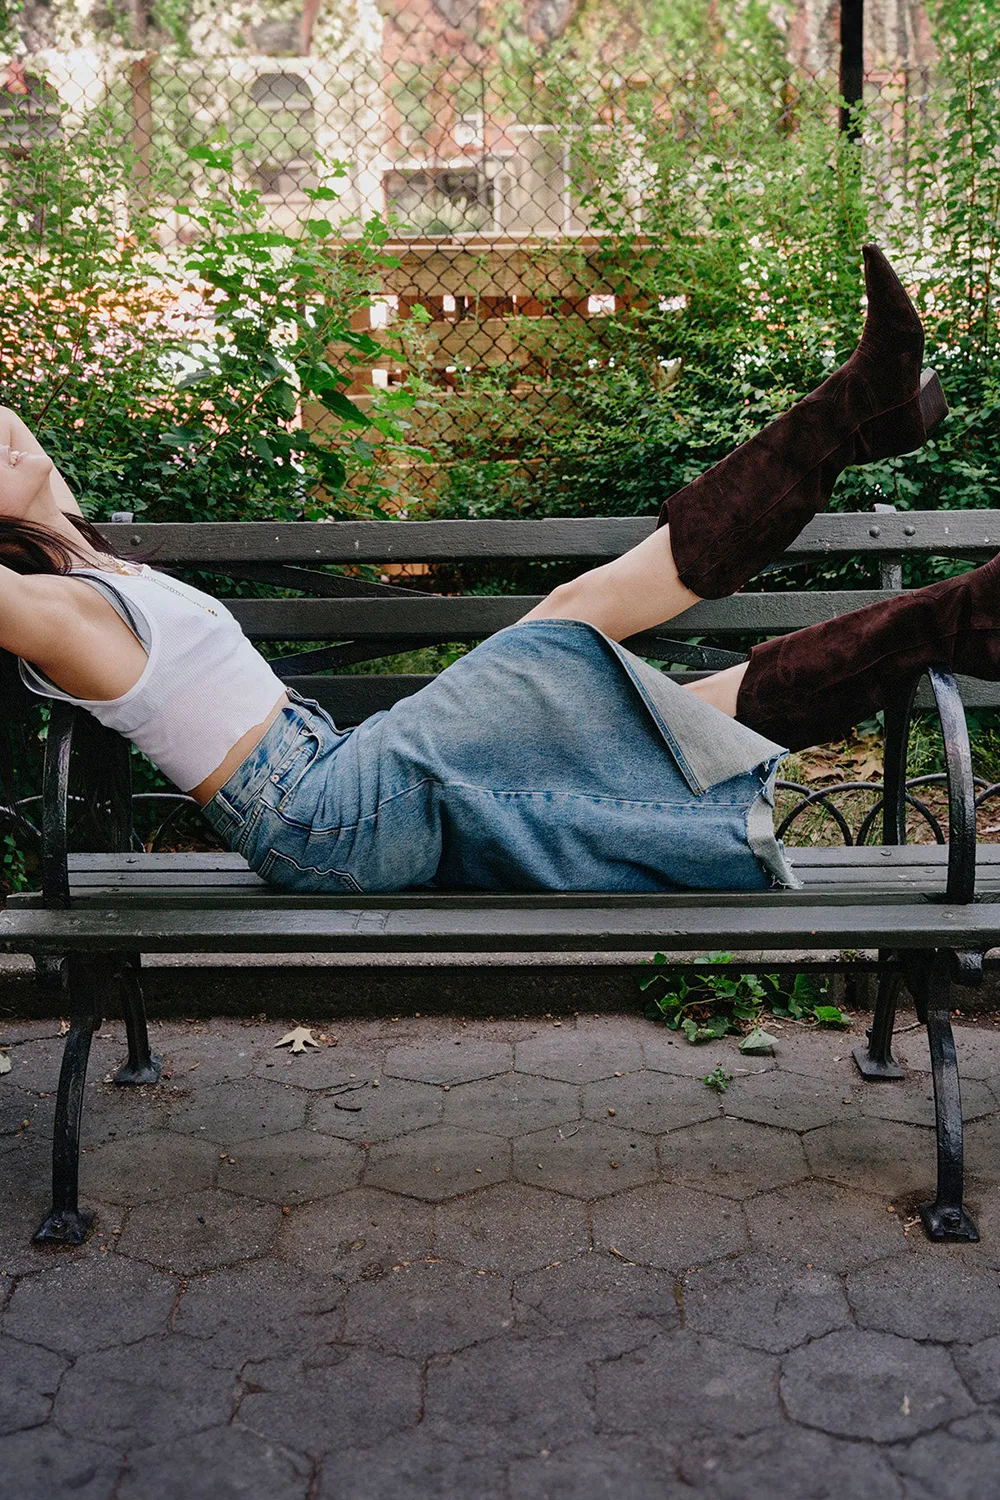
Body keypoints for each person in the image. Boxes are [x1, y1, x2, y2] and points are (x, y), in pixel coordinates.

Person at [0, 247, 983, 896]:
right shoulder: (54, 611)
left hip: (339, 776)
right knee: (558, 636)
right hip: (319, 820)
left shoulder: (84, 558)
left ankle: (930, 568)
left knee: (595, 646)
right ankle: (868, 445)